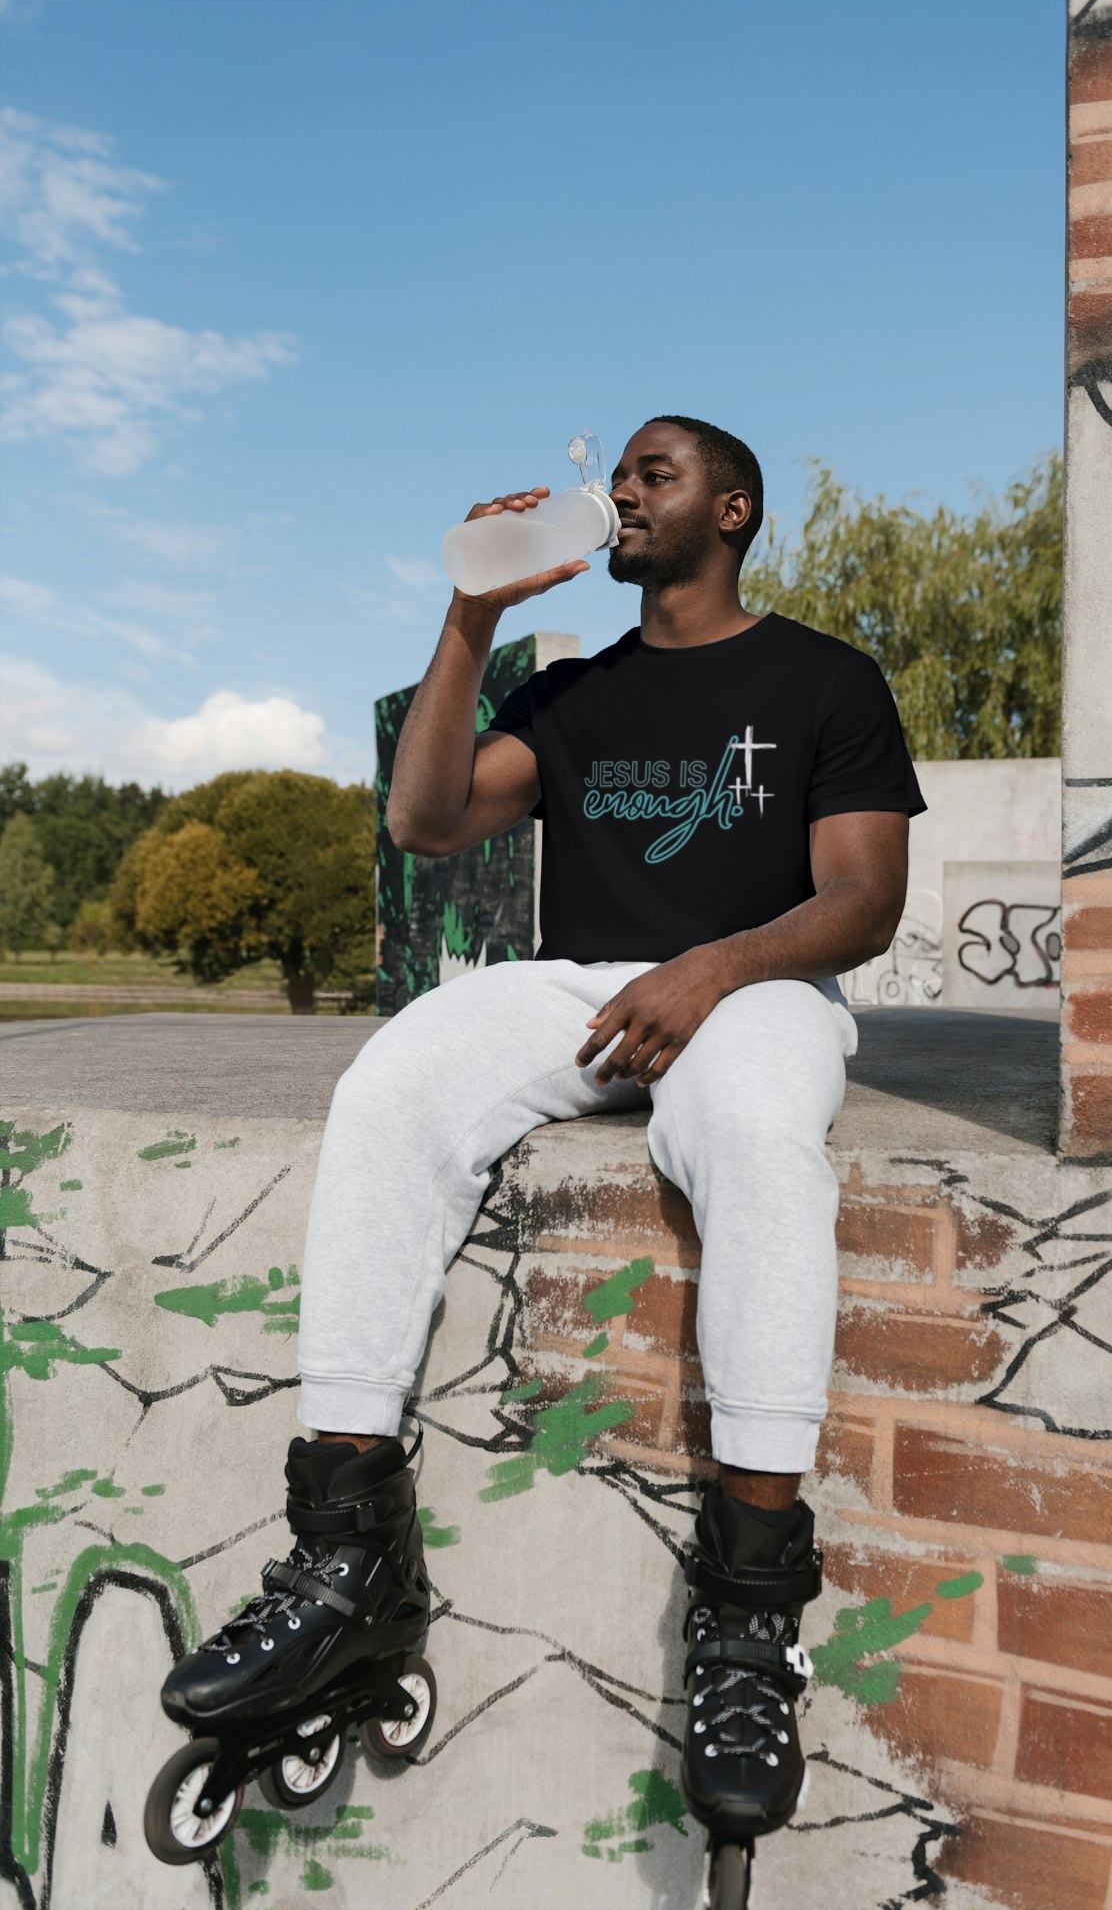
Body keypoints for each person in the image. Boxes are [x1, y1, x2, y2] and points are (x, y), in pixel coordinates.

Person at [158, 415, 925, 1849]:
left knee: (758, 1130)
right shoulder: (577, 688)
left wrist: (713, 968)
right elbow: (426, 817)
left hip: (756, 984)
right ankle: (347, 1559)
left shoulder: (825, 678)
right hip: (586, 988)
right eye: (618, 472)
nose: (621, 491)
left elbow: (863, 899)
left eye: (655, 473)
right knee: (393, 1080)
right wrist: (471, 619)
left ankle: (749, 1621)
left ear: (733, 510)